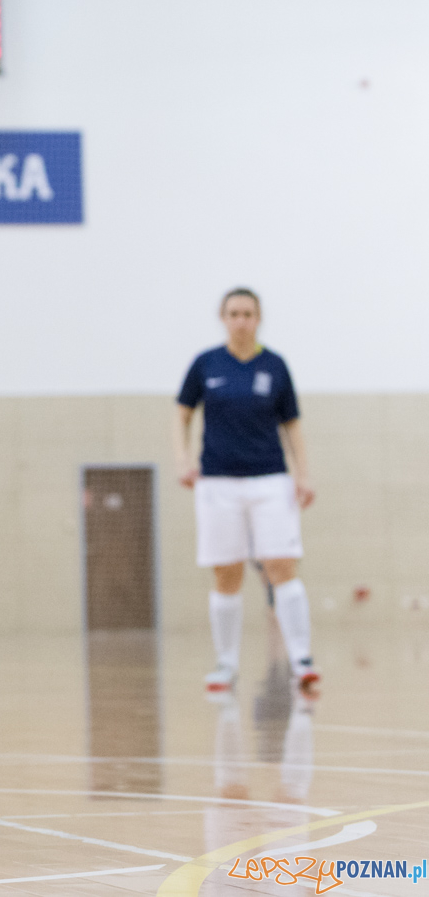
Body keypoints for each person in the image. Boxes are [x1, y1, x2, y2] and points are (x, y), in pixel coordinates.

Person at [173, 287, 317, 696]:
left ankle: (302, 658)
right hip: (218, 482)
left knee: (282, 565)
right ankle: (226, 663)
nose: (241, 320)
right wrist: (183, 460)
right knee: (226, 571)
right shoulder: (206, 364)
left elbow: (292, 424)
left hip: (270, 479)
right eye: (234, 313)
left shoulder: (275, 365)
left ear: (258, 318)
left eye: (248, 313)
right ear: (223, 318)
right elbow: (181, 414)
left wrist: (303, 474)